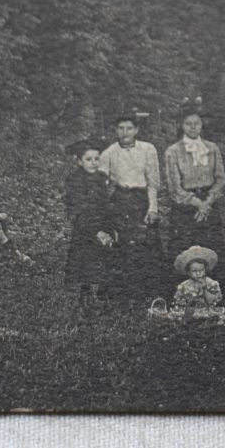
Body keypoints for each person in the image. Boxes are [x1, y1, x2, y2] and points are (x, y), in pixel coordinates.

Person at [164, 109, 225, 301]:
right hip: (185, 208)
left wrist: (207, 202)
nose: (193, 127)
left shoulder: (212, 148)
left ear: (202, 125)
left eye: (197, 123)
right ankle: (182, 299)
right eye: (188, 124)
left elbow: (220, 179)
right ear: (182, 126)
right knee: (184, 249)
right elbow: (174, 187)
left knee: (212, 248)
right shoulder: (173, 151)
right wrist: (197, 204)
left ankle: (216, 298)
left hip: (209, 205)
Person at [100, 113, 165, 303]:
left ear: (136, 130)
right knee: (121, 243)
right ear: (115, 130)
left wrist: (153, 208)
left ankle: (148, 292)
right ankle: (121, 294)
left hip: (141, 199)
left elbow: (153, 183)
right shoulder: (109, 153)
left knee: (146, 244)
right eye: (121, 128)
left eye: (129, 128)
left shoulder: (148, 149)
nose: (125, 132)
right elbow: (102, 184)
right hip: (120, 200)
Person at [63, 141, 117, 308]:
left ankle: (103, 294)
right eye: (88, 159)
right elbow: (78, 210)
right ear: (80, 161)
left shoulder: (101, 178)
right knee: (85, 261)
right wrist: (96, 232)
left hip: (103, 224)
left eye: (96, 159)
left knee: (105, 258)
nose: (93, 163)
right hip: (85, 227)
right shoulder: (75, 181)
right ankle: (85, 296)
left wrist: (109, 228)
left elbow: (106, 205)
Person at [171, 245, 225, 312]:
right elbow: (178, 301)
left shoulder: (212, 283)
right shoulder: (183, 286)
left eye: (201, 270)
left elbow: (214, 301)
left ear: (205, 269)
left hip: (209, 313)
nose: (198, 273)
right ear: (188, 272)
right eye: (194, 271)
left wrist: (204, 288)